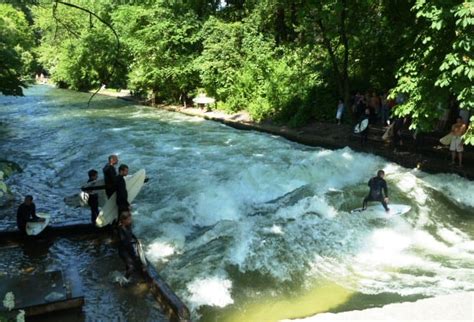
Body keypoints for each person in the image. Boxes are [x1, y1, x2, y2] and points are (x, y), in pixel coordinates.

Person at [118, 210, 144, 279]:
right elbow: (124, 241)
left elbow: (131, 234)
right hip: (123, 251)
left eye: (130, 219)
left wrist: (136, 239)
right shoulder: (120, 229)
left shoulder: (128, 226)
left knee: (138, 261)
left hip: (129, 248)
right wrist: (132, 242)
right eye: (129, 219)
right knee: (131, 267)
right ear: (124, 220)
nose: (130, 220)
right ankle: (124, 280)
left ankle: (141, 278)